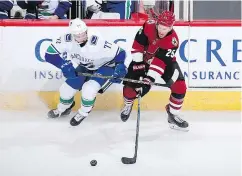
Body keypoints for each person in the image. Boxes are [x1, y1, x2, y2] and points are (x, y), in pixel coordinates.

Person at [44, 18, 130, 126]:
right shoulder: (66, 39)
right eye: (77, 35)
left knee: (88, 89)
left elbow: (120, 52)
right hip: (85, 66)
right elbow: (49, 54)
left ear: (86, 31)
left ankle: (83, 112)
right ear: (72, 34)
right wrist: (62, 65)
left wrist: (120, 66)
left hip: (105, 66)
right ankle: (63, 108)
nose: (81, 37)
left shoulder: (97, 41)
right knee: (66, 89)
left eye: (83, 34)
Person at [120, 10, 189, 131]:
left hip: (165, 63)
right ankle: (128, 104)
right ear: (157, 23)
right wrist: (139, 66)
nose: (162, 31)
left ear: (171, 27)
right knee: (129, 89)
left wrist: (148, 80)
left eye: (166, 28)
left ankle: (173, 114)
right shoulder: (148, 25)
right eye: (160, 27)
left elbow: (160, 62)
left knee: (180, 86)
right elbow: (137, 46)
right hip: (142, 59)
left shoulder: (173, 41)